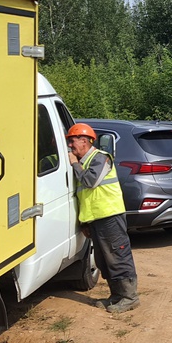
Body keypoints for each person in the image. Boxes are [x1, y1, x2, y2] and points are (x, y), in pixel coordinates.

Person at [66, 123, 140, 312]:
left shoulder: (100, 158)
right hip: (97, 218)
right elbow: (84, 195)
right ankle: (116, 296)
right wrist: (85, 221)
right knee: (105, 260)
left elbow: (90, 182)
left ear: (85, 141)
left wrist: (74, 163)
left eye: (72, 142)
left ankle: (129, 297)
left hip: (110, 215)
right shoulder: (84, 162)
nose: (70, 147)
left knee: (118, 256)